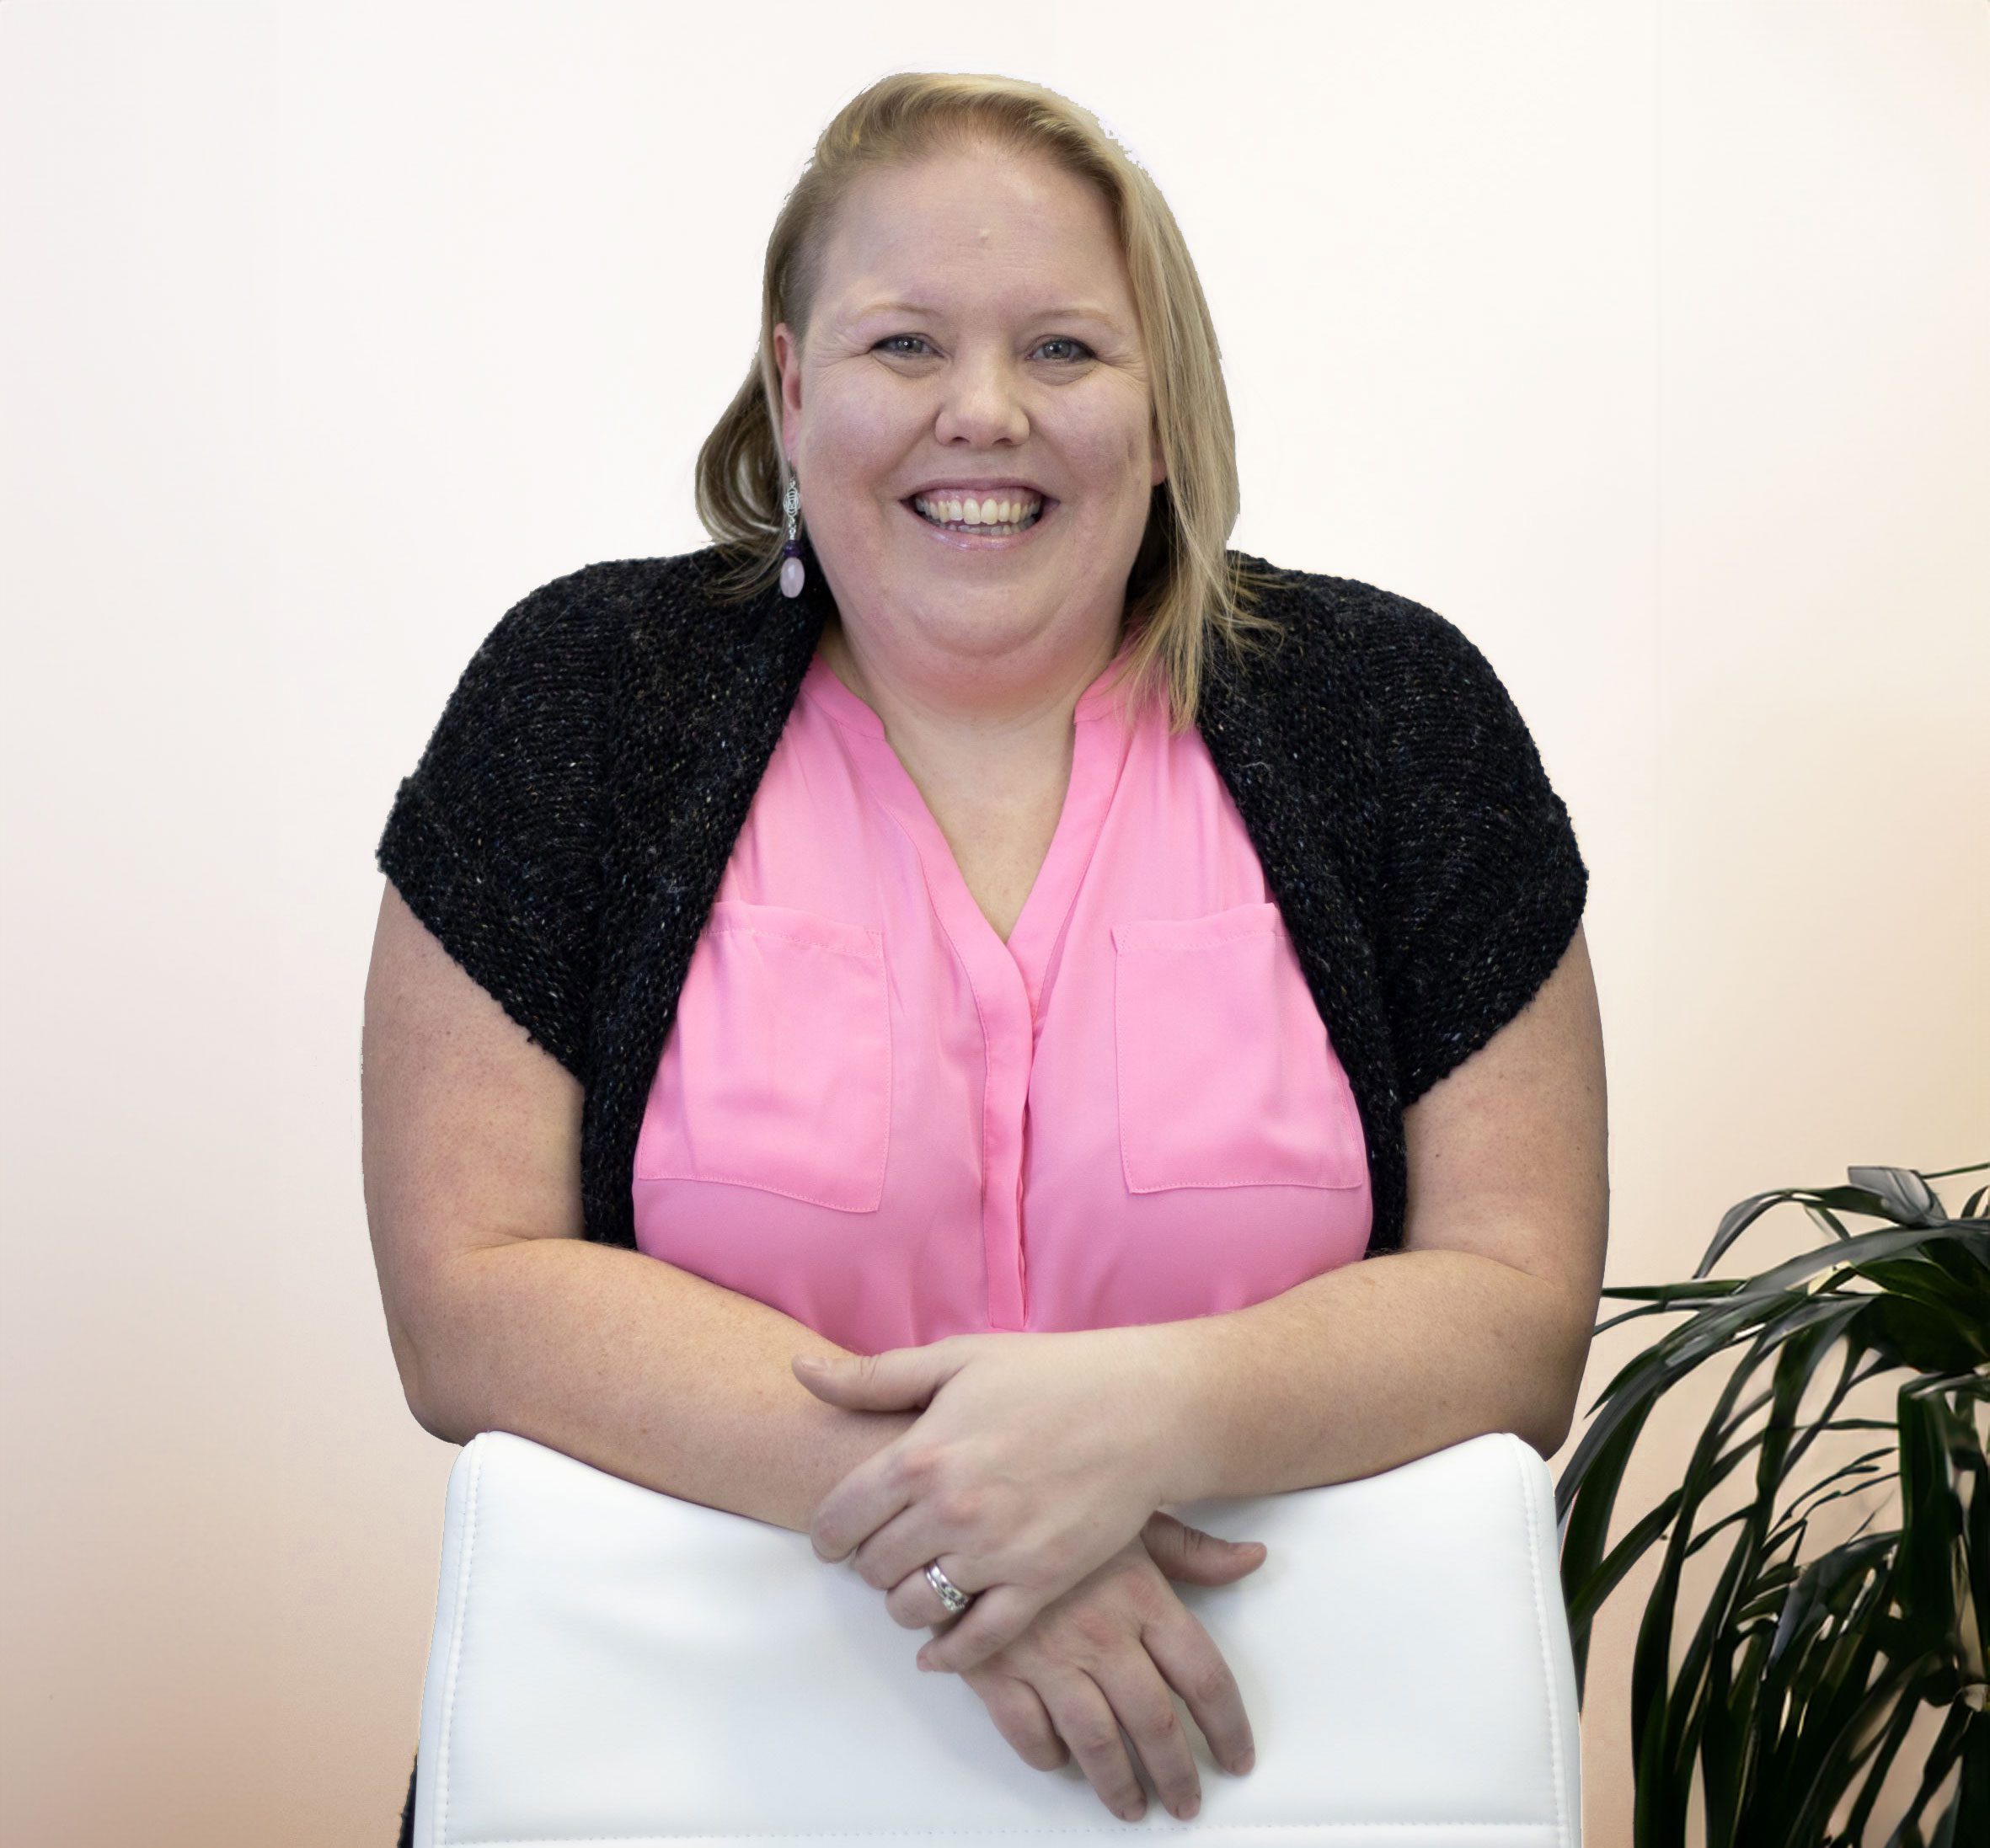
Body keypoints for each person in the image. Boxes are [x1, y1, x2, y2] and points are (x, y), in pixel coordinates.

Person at [361, 69, 1608, 1845]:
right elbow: (465, 1292)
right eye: (900, 347)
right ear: (792, 392)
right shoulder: (582, 698)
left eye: (1064, 351)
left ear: (1164, 406)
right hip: (684, 1782)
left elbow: (1512, 1303)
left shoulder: (1393, 716)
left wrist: (1149, 1420)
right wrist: (969, 1510)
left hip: (1259, 1785)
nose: (982, 413)